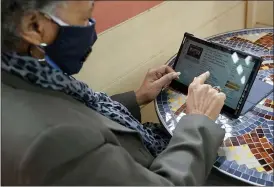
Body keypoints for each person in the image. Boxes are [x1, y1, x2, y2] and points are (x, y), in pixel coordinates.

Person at [1, 0, 227, 185]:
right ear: (34, 26)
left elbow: (79, 111)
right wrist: (198, 120)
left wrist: (137, 97)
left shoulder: (25, 75)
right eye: (84, 18)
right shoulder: (55, 142)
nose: (91, 28)